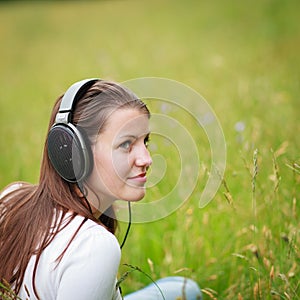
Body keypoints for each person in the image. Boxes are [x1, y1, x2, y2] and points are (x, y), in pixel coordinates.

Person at [0, 78, 202, 300]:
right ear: (74, 154)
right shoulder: (95, 246)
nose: (147, 159)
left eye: (145, 141)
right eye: (126, 144)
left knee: (185, 288)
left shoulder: (13, 197)